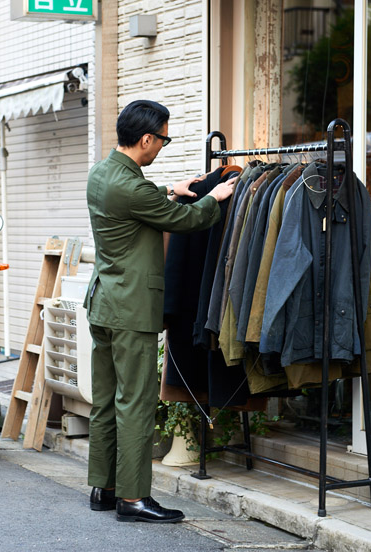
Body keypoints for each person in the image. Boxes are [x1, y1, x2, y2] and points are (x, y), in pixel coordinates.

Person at [84, 99, 235, 523]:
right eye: (163, 140)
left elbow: (140, 202)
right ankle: (133, 498)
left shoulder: (102, 173)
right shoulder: (132, 187)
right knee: (135, 401)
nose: (162, 148)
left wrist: (173, 188)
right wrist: (215, 198)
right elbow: (180, 221)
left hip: (104, 302)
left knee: (106, 400)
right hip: (131, 308)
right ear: (147, 138)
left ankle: (104, 486)